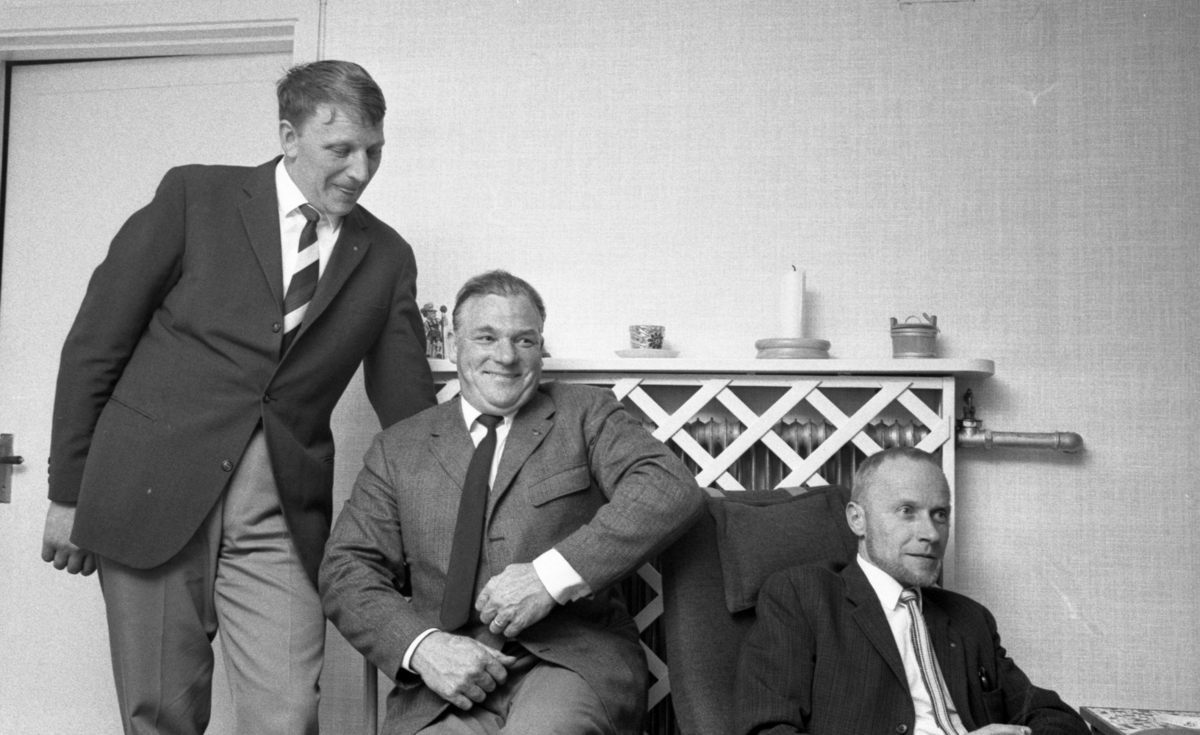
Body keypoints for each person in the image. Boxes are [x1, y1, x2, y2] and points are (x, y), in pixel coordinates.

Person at [40, 60, 436, 735]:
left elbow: (409, 407)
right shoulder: (195, 196)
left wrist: (434, 524)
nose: (361, 170)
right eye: (341, 149)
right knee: (160, 712)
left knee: (288, 712)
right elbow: (95, 343)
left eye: (374, 150)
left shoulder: (387, 255)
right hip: (151, 488)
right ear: (289, 136)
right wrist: (68, 493)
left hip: (280, 509)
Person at [320, 270, 706, 735]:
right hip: (445, 687)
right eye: (486, 337)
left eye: (524, 340)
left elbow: (668, 487)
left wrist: (549, 577)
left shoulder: (585, 413)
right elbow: (346, 568)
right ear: (454, 345)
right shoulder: (398, 448)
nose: (506, 357)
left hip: (569, 663)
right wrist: (423, 648)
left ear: (540, 347)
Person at [735, 447, 1089, 735]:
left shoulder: (969, 619)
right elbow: (768, 729)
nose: (931, 534)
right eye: (907, 511)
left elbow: (1054, 717)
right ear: (857, 519)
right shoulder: (804, 596)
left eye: (939, 514)